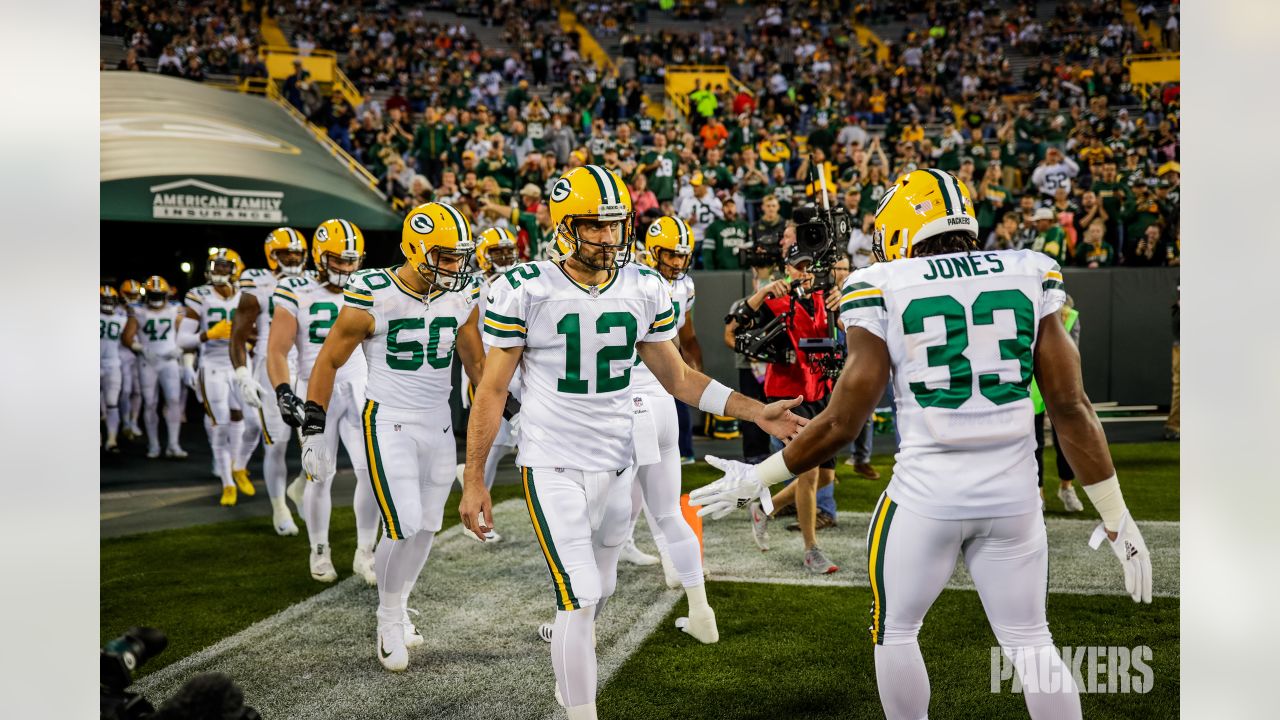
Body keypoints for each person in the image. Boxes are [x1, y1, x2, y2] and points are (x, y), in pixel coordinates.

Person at [691, 169, 1153, 720]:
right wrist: (1117, 516)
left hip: (925, 501)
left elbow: (841, 421)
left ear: (903, 228)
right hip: (1014, 501)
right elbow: (1071, 408)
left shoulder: (882, 284)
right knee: (1032, 641)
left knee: (896, 631)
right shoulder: (1030, 271)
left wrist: (758, 477)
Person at [458, 165, 806, 720]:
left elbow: (681, 378)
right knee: (580, 594)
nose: (608, 237)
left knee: (601, 588)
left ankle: (569, 665)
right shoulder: (525, 288)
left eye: (616, 225)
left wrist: (756, 411)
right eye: (595, 226)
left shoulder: (642, 287)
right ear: (565, 227)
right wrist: (475, 476)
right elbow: (493, 389)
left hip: (618, 466)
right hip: (553, 467)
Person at [302, 204, 486, 672]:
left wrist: (511, 406)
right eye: (445, 256)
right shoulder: (374, 292)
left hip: (439, 422)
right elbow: (328, 361)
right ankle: (386, 618)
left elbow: (476, 364)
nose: (455, 267)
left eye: (459, 256)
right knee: (402, 521)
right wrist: (313, 427)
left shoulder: (460, 294)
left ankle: (400, 604)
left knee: (426, 525)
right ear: (415, 248)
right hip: (388, 421)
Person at [268, 220, 383, 585]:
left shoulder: (369, 287)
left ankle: (366, 552)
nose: (347, 269)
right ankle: (319, 549)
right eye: (339, 260)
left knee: (371, 473)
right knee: (319, 474)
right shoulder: (295, 289)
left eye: (352, 261)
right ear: (319, 256)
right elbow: (277, 348)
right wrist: (283, 390)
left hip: (360, 385)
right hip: (316, 388)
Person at [619, 216, 712, 594]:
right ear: (653, 251)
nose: (678, 262)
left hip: (662, 387)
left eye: (683, 256)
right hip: (631, 388)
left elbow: (684, 334)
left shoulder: (682, 285)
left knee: (647, 480)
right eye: (672, 255)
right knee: (635, 481)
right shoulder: (632, 277)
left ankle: (621, 542)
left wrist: (693, 369)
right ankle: (668, 561)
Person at [732, 244, 839, 573]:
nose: (804, 272)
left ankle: (765, 508)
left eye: (809, 266)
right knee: (808, 475)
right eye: (798, 266)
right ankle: (812, 550)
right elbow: (734, 329)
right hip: (790, 398)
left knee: (825, 478)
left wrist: (844, 300)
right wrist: (762, 293)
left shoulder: (825, 299)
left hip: (822, 392)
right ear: (787, 269)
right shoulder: (775, 300)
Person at [231, 228, 309, 536]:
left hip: (306, 366)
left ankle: (300, 488)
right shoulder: (258, 283)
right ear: (271, 255)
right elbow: (237, 334)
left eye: (296, 254)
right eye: (285, 253)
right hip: (270, 366)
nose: (292, 259)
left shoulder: (313, 281)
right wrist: (242, 374)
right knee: (276, 444)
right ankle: (279, 506)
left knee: (317, 445)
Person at [179, 249, 255, 507]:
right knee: (220, 425)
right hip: (212, 366)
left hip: (241, 365)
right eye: (216, 266)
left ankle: (238, 466)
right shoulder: (199, 296)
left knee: (246, 421)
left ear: (237, 269)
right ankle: (227, 483)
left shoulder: (246, 296)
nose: (219, 271)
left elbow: (257, 332)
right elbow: (182, 339)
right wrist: (207, 335)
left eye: (225, 267)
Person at [462, 226, 523, 542]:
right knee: (491, 448)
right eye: (496, 252)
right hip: (489, 377)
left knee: (505, 446)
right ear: (483, 257)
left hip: (516, 376)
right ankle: (472, 512)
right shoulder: (474, 288)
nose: (504, 258)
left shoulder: (520, 282)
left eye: (507, 251)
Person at [121, 276, 187, 459]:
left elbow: (187, 332)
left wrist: (180, 348)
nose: (156, 297)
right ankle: (154, 444)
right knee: (150, 403)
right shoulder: (138, 311)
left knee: (174, 401)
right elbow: (126, 337)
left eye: (159, 294)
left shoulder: (176, 310)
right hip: (147, 361)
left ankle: (173, 444)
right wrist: (139, 347)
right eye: (152, 294)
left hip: (169, 360)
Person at [117, 279, 145, 442]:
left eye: (135, 295)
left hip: (139, 354)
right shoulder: (117, 311)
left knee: (138, 391)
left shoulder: (143, 311)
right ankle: (126, 422)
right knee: (126, 390)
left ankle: (134, 421)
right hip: (123, 354)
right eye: (130, 295)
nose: (133, 298)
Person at [100, 286, 126, 453]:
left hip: (113, 363)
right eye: (105, 299)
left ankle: (112, 439)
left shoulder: (122, 319)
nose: (108, 303)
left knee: (112, 403)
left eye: (111, 300)